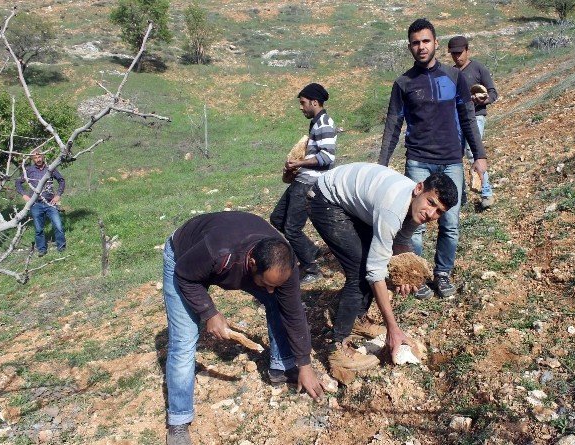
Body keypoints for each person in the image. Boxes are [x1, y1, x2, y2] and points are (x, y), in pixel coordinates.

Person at [162, 211, 325, 445]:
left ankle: (282, 367)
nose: (270, 290)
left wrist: (305, 364)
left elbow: (294, 314)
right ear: (252, 263)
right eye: (266, 284)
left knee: (279, 302)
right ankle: (178, 421)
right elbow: (185, 277)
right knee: (184, 339)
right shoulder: (219, 252)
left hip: (226, 252)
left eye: (275, 284)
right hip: (184, 260)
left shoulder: (284, 268)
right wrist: (209, 312)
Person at [307, 162, 458, 371]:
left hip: (352, 199)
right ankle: (337, 349)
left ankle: (358, 319)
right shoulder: (392, 210)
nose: (431, 214)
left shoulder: (416, 207)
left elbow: (402, 240)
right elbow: (374, 272)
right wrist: (393, 328)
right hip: (326, 198)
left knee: (373, 258)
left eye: (439, 212)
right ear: (419, 188)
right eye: (431, 203)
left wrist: (405, 273)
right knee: (359, 272)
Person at [378, 18, 488, 299]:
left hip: (451, 159)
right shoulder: (403, 83)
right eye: (415, 42)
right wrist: (381, 163)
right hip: (418, 161)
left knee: (449, 222)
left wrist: (479, 155)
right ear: (409, 47)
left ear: (436, 43)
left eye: (426, 41)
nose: (421, 47)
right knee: (414, 224)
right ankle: (417, 276)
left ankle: (442, 273)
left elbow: (467, 118)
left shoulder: (454, 77)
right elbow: (393, 125)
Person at [270, 83, 337, 285]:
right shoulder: (316, 122)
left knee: (292, 229)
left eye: (303, 103)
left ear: (314, 102)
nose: (301, 107)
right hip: (302, 178)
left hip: (309, 182)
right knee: (277, 217)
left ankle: (312, 268)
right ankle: (310, 250)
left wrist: (299, 162)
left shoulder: (324, 123)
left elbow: (327, 158)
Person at [448, 35, 498, 209]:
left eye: (460, 53)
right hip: (456, 118)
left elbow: (493, 93)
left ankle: (486, 192)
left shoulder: (478, 68)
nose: (457, 57)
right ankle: (460, 196)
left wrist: (482, 99)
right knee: (455, 155)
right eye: (453, 53)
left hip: (476, 116)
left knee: (473, 152)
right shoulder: (451, 72)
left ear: (467, 50)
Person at [15, 150, 66, 257]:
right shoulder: (29, 170)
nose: (38, 159)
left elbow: (61, 180)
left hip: (50, 203)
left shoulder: (50, 168)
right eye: (35, 158)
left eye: (39, 157)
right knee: (38, 229)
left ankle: (62, 248)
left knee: (58, 226)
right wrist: (24, 195)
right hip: (36, 204)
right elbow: (18, 182)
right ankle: (42, 250)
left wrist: (58, 195)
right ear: (32, 159)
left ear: (43, 157)